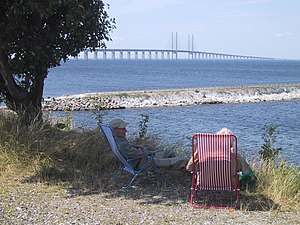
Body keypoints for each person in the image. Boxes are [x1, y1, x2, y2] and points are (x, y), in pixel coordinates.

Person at [186, 128, 256, 189]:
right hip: (229, 185)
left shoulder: (204, 158)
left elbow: (188, 168)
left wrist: (196, 153)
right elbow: (247, 172)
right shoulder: (236, 158)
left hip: (204, 184)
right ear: (231, 144)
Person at [109, 118, 189, 171]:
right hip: (144, 163)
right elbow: (142, 153)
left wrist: (138, 147)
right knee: (183, 160)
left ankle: (184, 170)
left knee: (169, 152)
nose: (125, 130)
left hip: (143, 160)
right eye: (123, 129)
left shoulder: (117, 139)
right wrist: (143, 149)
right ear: (115, 130)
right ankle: (188, 171)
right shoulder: (121, 144)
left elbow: (132, 149)